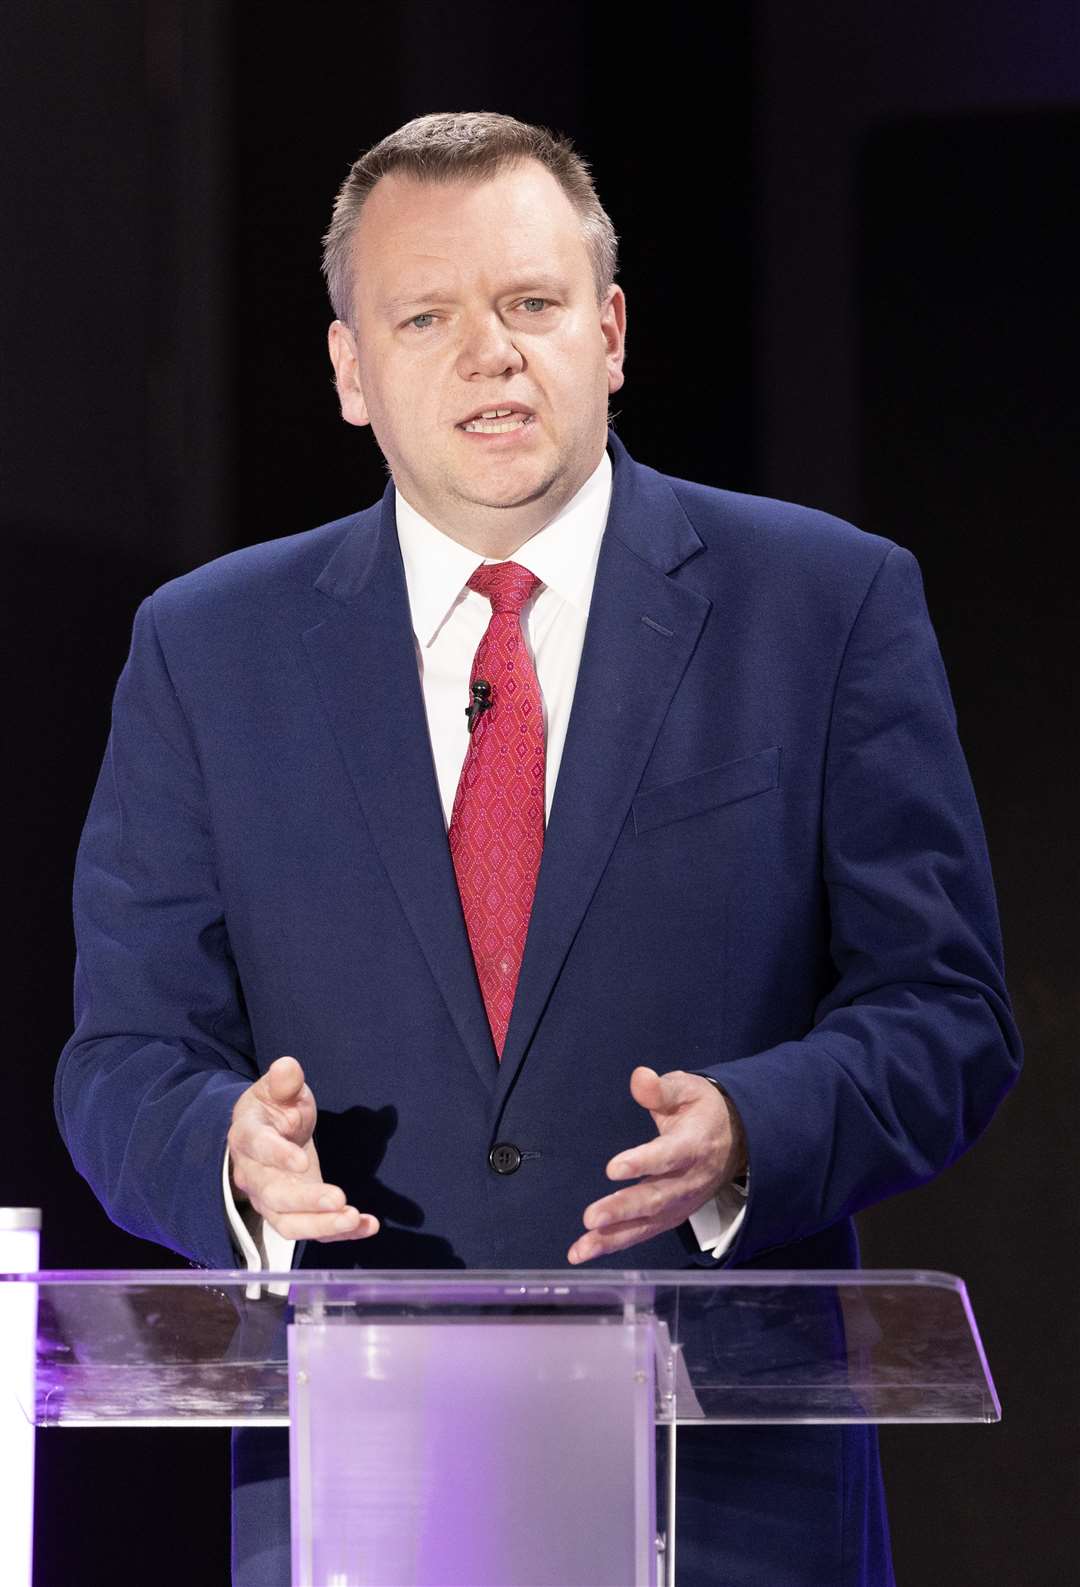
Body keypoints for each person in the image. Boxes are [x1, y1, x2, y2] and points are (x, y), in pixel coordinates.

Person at [56, 112, 1021, 1586]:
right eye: (425, 316)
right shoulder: (206, 650)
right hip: (354, 1496)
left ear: (612, 332)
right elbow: (121, 1057)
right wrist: (232, 1163)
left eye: (531, 304)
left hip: (737, 1502)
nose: (489, 354)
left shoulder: (825, 605)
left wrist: (757, 1132)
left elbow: (949, 1013)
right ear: (350, 372)